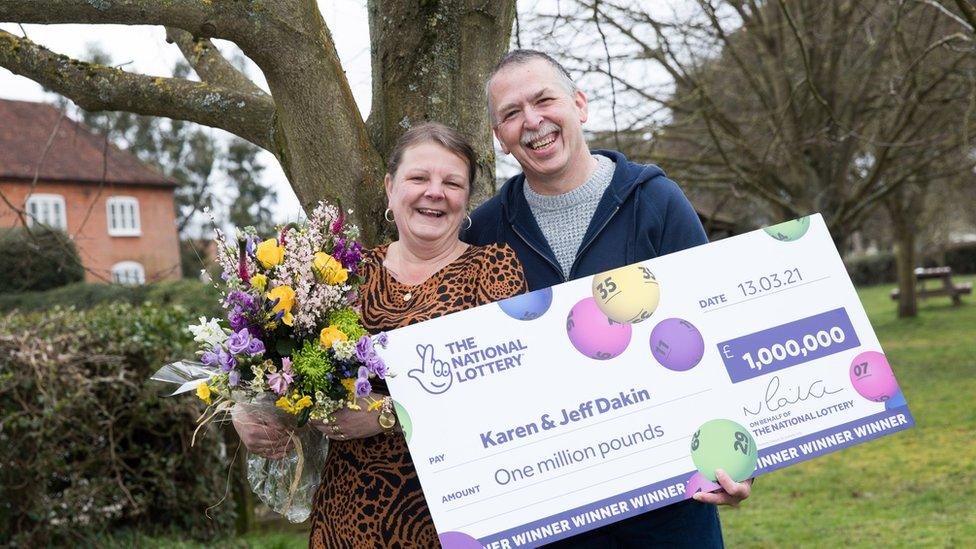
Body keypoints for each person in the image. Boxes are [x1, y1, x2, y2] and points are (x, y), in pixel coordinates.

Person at [465, 49, 752, 547]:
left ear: (579, 104)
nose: (532, 121)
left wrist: (741, 461)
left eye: (543, 100)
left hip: (669, 508)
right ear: (500, 138)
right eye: (511, 113)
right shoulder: (483, 233)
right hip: (548, 518)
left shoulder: (656, 201)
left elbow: (718, 329)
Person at [232, 122, 527, 547]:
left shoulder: (492, 268)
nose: (434, 191)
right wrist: (253, 411)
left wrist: (389, 412)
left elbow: (511, 390)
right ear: (390, 188)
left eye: (452, 182)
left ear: (466, 200)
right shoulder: (342, 274)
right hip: (346, 515)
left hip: (454, 512)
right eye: (418, 178)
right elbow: (286, 367)